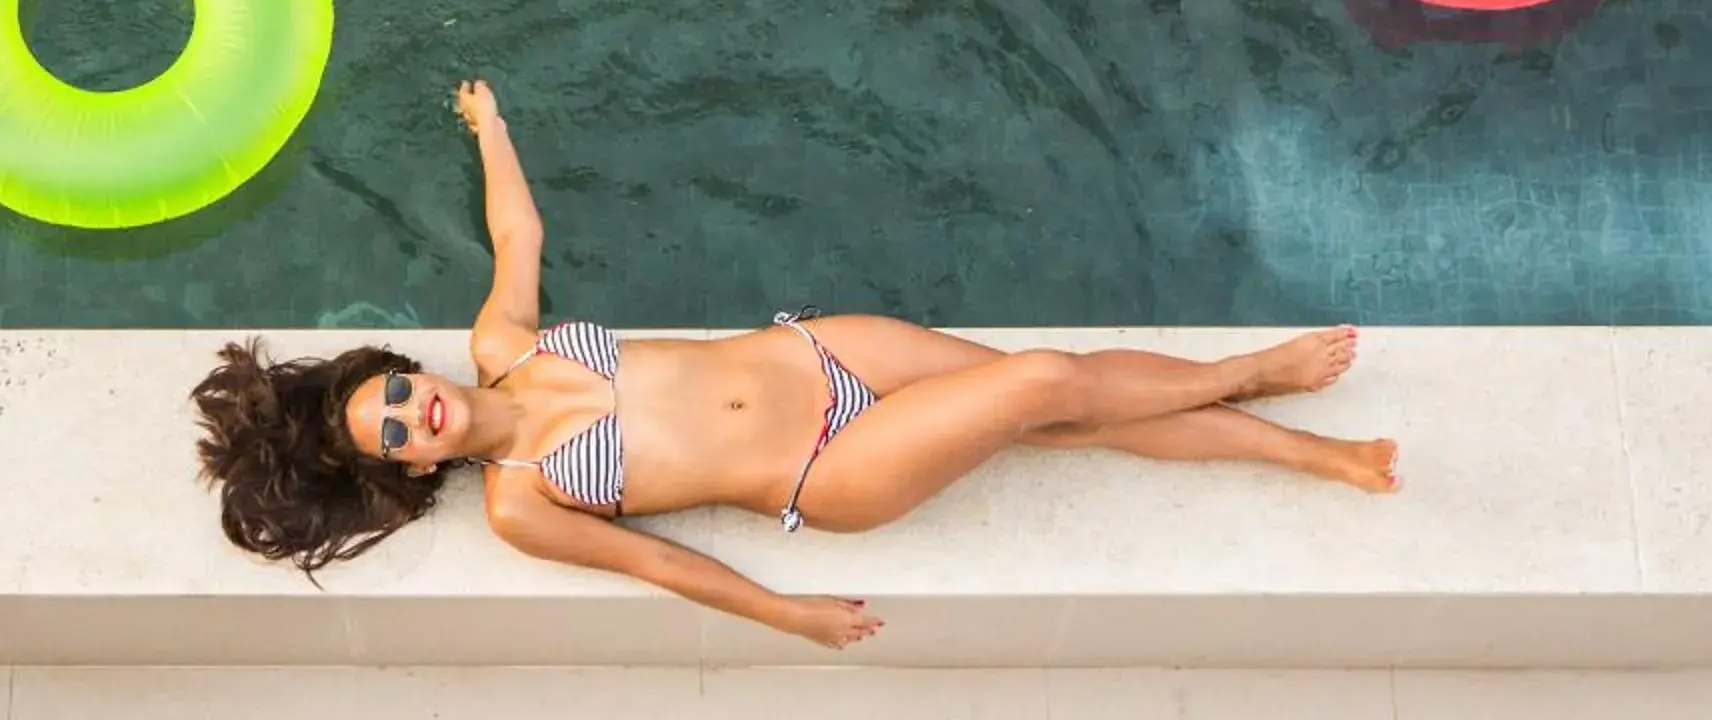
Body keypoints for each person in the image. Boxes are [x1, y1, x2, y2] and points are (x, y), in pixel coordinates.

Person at [192, 80, 1399, 651]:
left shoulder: (506, 342)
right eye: (398, 434)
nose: (416, 411)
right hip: (826, 465)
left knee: (1069, 400)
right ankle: (1253, 369)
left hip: (820, 347)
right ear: (409, 470)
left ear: (407, 369)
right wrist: (786, 612)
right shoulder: (523, 504)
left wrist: (491, 128)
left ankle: (1310, 446)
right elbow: (660, 559)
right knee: (1041, 386)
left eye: (394, 392)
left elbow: (521, 236)